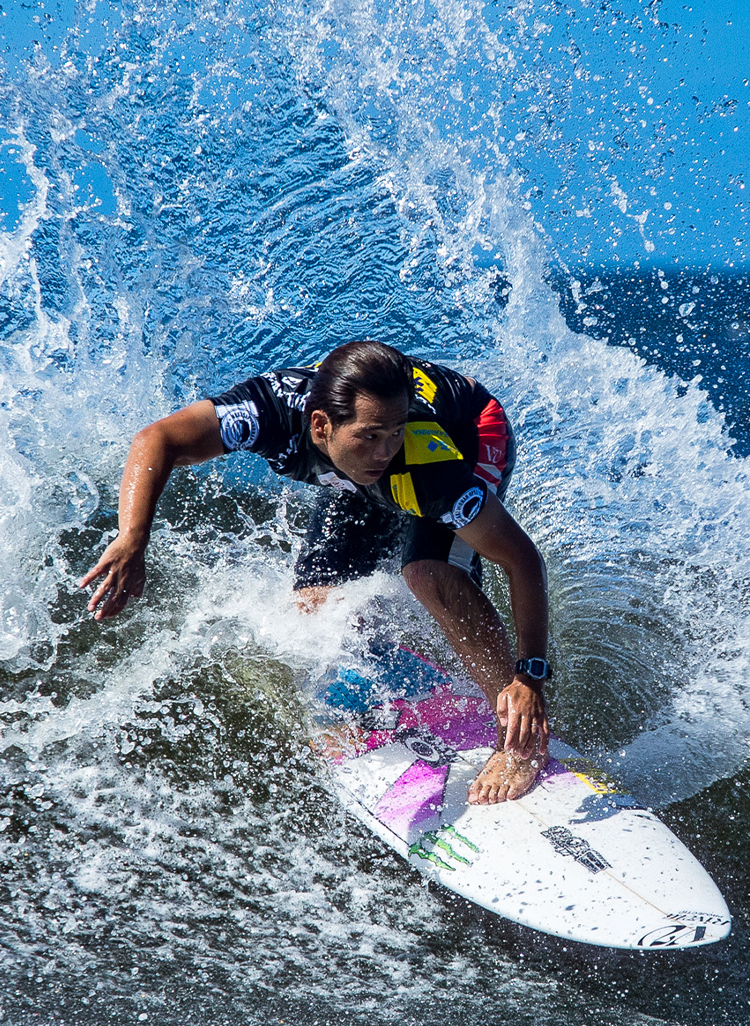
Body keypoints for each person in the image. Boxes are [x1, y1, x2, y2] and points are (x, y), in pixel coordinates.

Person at [81, 340, 551, 803]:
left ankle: (520, 737)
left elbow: (522, 560)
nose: (385, 451)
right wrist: (132, 537)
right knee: (314, 602)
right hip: (349, 464)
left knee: (428, 573)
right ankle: (397, 676)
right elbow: (157, 439)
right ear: (320, 426)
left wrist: (529, 675)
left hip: (471, 430)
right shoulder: (269, 414)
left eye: (394, 433)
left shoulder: (427, 468)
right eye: (371, 437)